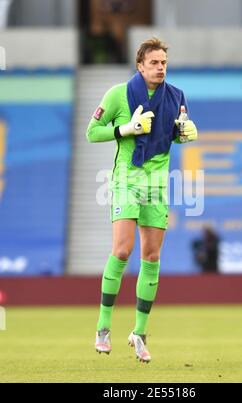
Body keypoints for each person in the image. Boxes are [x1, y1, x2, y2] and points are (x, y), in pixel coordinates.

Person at [86, 37, 198, 363]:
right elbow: (92, 132)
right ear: (140, 65)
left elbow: (175, 131)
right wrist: (126, 129)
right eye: (154, 63)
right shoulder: (118, 94)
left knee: (151, 257)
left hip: (158, 184)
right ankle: (103, 326)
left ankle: (139, 333)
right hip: (125, 180)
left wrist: (186, 133)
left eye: (164, 63)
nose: (160, 68)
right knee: (122, 250)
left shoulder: (176, 96)